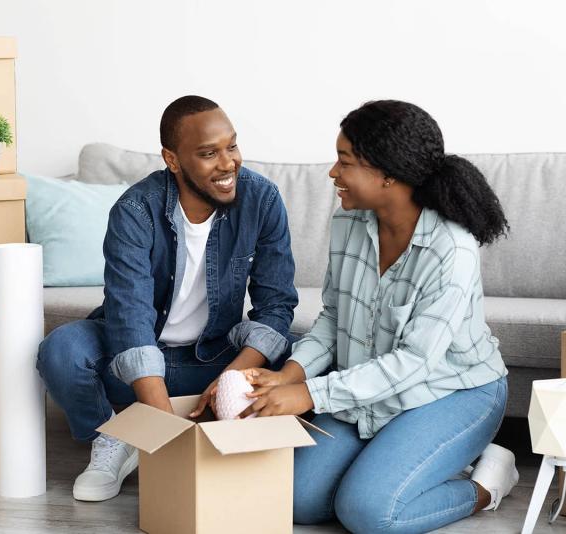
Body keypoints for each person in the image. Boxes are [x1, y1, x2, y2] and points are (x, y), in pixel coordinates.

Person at [241, 100, 517, 533]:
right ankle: (412, 465)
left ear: (388, 173)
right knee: (297, 500)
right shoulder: (347, 223)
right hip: (370, 389)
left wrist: (311, 395)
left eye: (345, 162)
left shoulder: (451, 248)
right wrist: (289, 375)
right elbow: (333, 318)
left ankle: (486, 480)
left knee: (370, 514)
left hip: (453, 391)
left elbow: (415, 363)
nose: (333, 173)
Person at [36, 95, 298, 502]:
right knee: (62, 350)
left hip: (212, 361)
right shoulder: (135, 210)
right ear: (172, 160)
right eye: (209, 153)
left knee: (299, 359)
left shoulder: (261, 200)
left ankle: (222, 440)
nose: (228, 163)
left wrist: (232, 378)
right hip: (134, 364)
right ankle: (113, 438)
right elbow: (129, 313)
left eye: (231, 146)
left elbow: (277, 304)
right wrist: (163, 432)